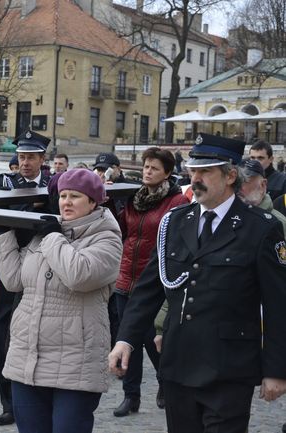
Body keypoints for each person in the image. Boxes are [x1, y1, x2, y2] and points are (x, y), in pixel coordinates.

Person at [109, 133, 286, 433]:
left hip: (229, 368)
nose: (196, 179)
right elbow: (149, 289)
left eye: (206, 171)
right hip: (179, 362)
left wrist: (277, 370)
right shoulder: (176, 221)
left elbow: (278, 304)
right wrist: (125, 339)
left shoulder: (261, 228)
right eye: (193, 171)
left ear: (230, 175)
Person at [0, 169, 123, 433]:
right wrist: (3, 235)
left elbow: (79, 275)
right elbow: (14, 281)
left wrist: (53, 236)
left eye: (75, 196)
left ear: (94, 202)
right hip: (28, 357)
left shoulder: (107, 238)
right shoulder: (47, 230)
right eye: (63, 195)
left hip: (75, 362)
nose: (66, 202)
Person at [112, 147, 189, 417]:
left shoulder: (176, 202)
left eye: (154, 168)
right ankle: (130, 396)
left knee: (153, 340)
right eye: (146, 166)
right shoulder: (134, 198)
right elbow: (124, 231)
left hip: (156, 281)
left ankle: (166, 383)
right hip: (125, 278)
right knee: (128, 338)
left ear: (167, 173)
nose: (148, 171)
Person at [0, 129, 53, 426]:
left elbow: (53, 219)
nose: (25, 162)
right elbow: (2, 215)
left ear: (42, 159)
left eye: (31, 157)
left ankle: (38, 395)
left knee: (40, 332)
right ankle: (9, 403)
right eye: (22, 156)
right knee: (6, 334)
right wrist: (33, 207)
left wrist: (28, 207)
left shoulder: (52, 183)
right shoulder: (4, 181)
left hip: (41, 266)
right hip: (7, 266)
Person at [238, 159, 286, 235]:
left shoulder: (278, 223)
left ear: (262, 185)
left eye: (244, 181)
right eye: (235, 181)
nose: (237, 187)